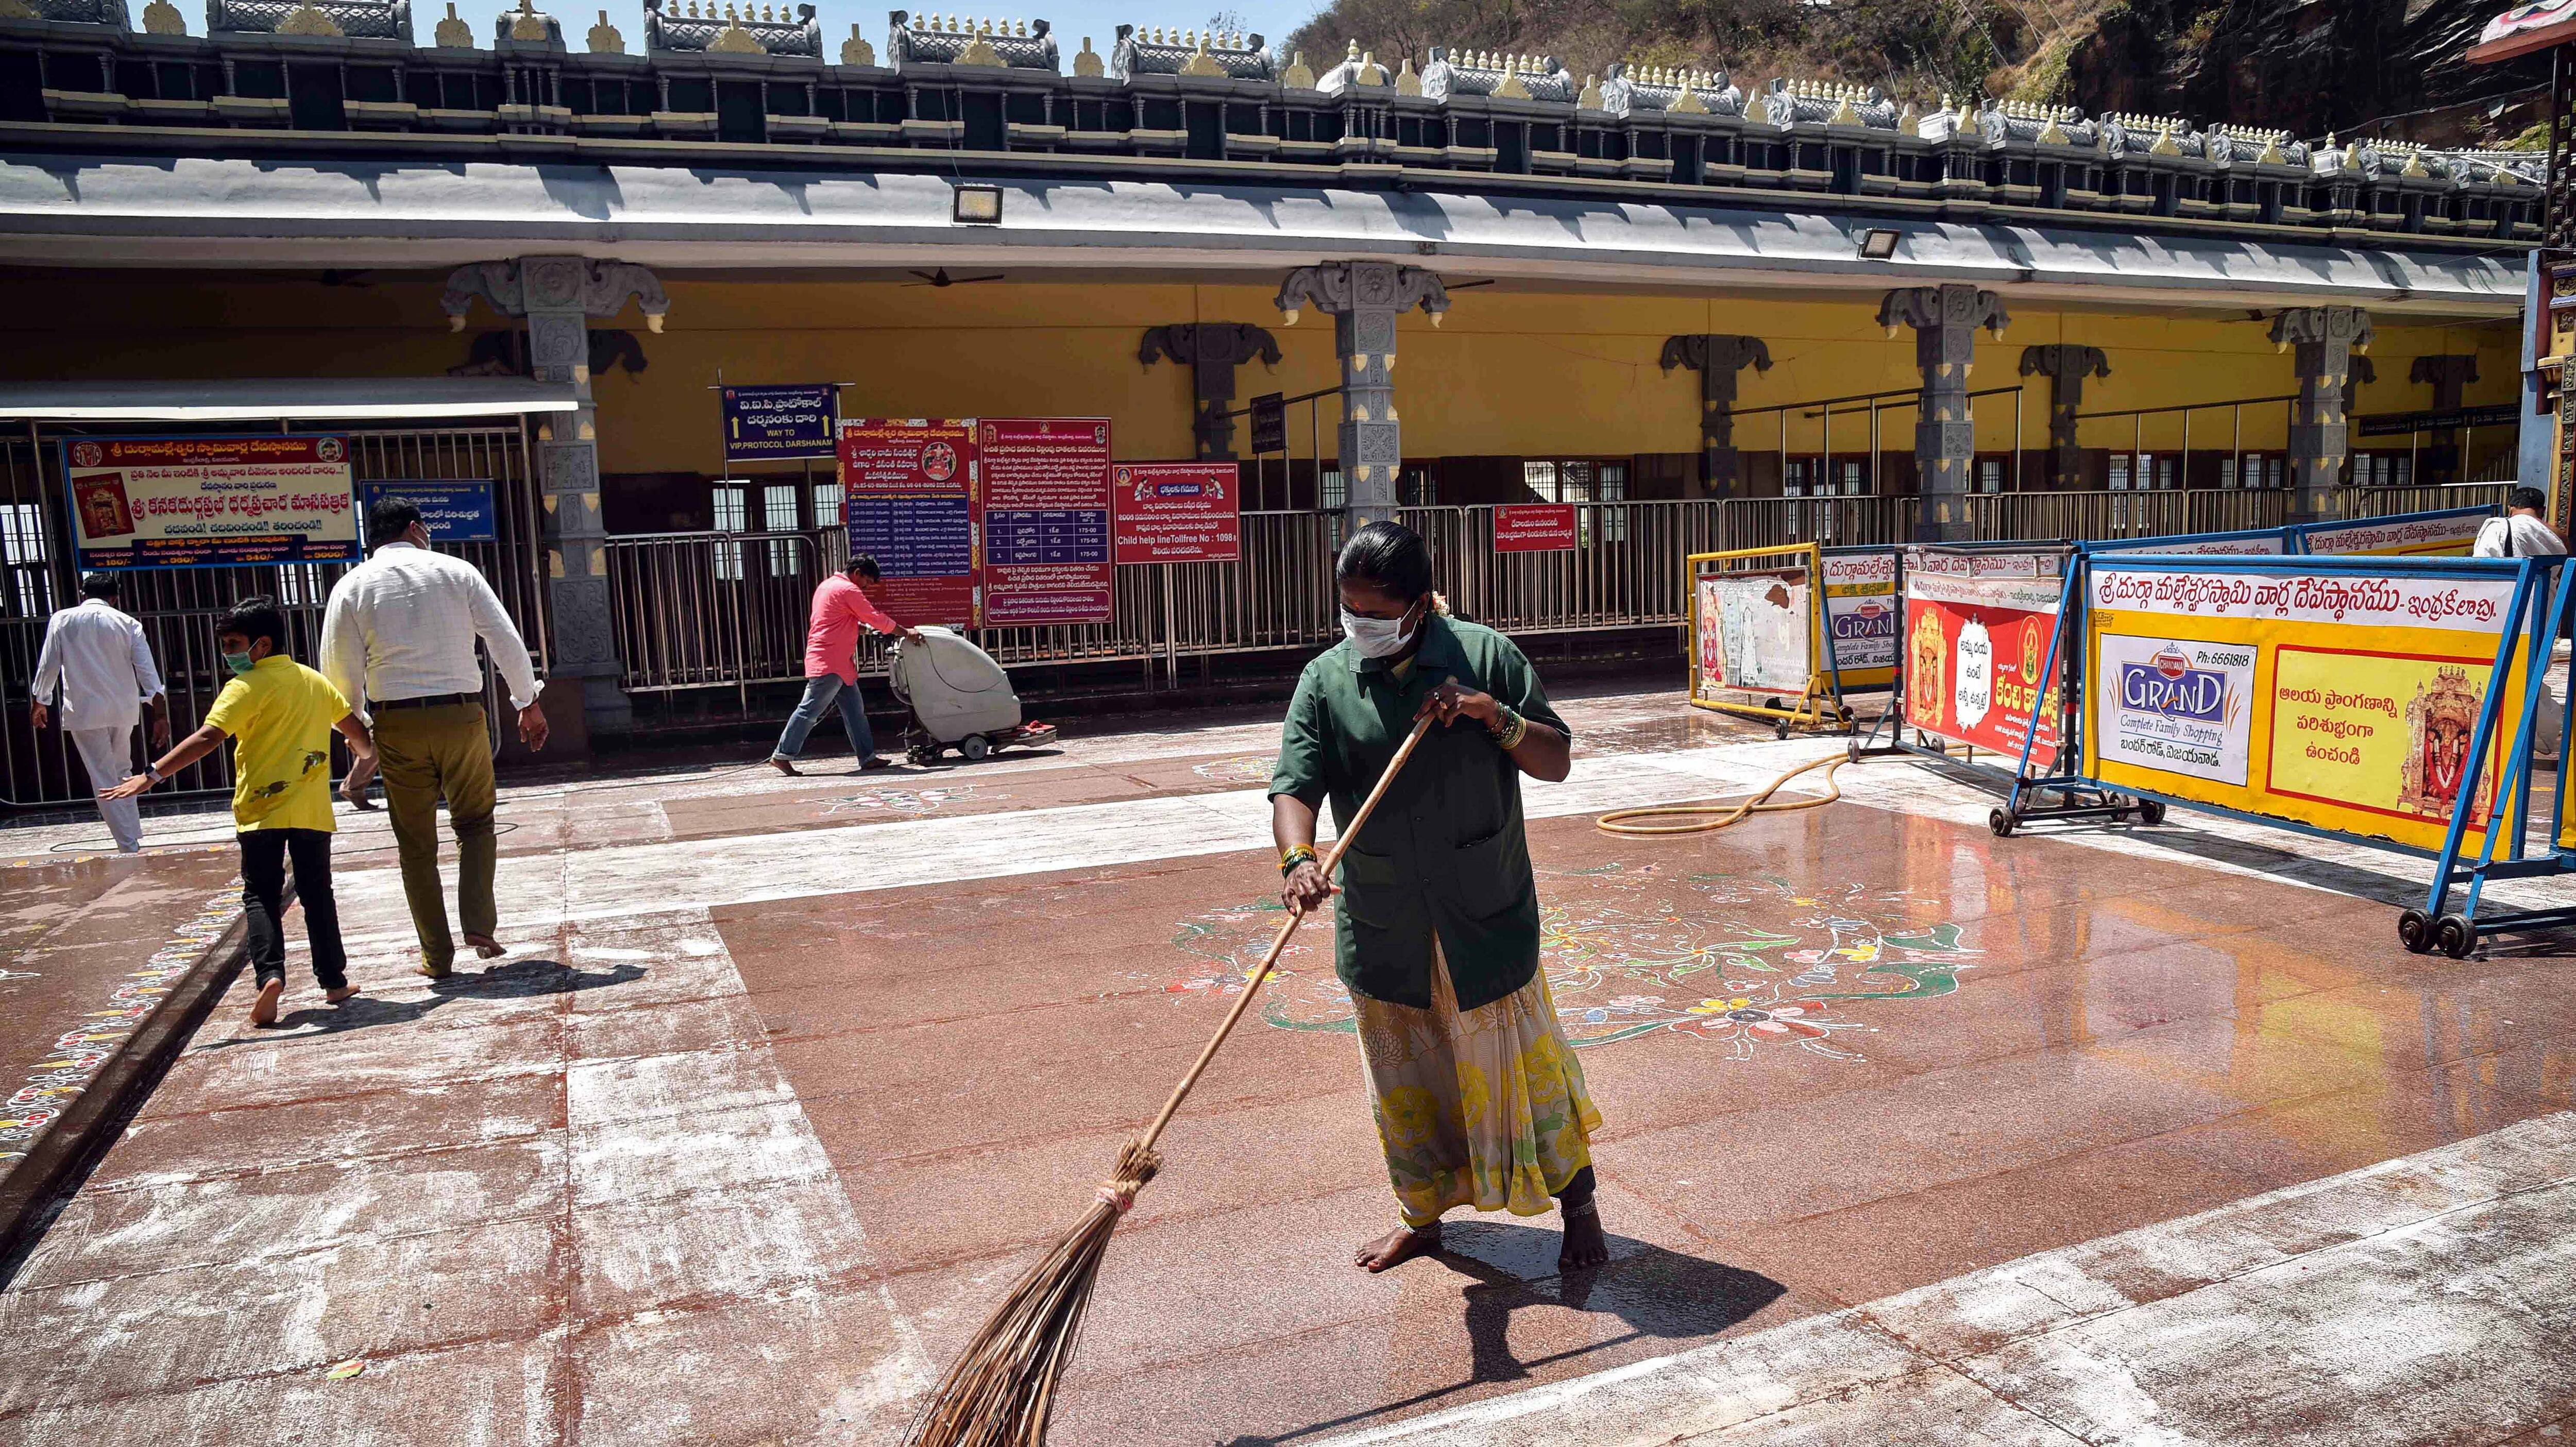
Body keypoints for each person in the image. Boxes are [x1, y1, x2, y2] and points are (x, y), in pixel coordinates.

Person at [1269, 520, 1607, 1274]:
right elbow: (1295, 785)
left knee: (1526, 1073)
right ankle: (1420, 1218)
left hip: (1481, 919)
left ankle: (1577, 1202)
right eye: (1350, 611)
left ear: (1420, 605)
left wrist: (1494, 715)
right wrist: (1297, 859)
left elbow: (1554, 761)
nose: (1362, 626)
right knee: (1406, 1085)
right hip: (1386, 924)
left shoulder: (1486, 655)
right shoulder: (1326, 680)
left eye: (1378, 614)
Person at [105, 598, 374, 1026]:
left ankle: (270, 976)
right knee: (317, 894)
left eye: (233, 643)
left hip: (260, 813)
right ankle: (334, 981)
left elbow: (207, 738)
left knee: (261, 896)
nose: (227, 653)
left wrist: (151, 775)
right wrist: (362, 755)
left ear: (261, 645)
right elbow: (357, 734)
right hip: (311, 812)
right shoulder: (313, 681)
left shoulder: (244, 688)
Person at [320, 497, 547, 979]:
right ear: (415, 529)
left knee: (416, 844)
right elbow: (503, 638)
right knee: (476, 823)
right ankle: (480, 925)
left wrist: (357, 730)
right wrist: (527, 702)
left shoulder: (351, 586)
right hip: (462, 716)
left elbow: (339, 670)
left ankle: (436, 956)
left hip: (397, 724)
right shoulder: (457, 571)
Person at [30, 571, 169, 853]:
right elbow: (148, 672)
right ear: (114, 598)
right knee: (123, 771)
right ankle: (131, 835)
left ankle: (127, 843)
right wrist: (160, 715)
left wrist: (40, 701)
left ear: (83, 594)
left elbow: (49, 665)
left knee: (103, 776)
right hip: (123, 709)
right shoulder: (128, 623)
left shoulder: (62, 619)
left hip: (85, 710)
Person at [769, 553, 920, 776]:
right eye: (867, 582)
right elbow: (874, 617)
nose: (867, 587)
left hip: (836, 662)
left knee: (855, 712)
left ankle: (867, 757)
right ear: (857, 573)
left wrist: (866, 631)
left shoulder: (827, 587)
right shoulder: (848, 590)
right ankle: (782, 754)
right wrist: (907, 633)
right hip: (830, 662)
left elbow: (840, 620)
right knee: (809, 710)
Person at [2475, 486, 2570, 762]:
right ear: (2542, 510)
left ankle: (2512, 735)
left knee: (2502, 675)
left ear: (2511, 507)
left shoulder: (2498, 528)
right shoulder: (2555, 536)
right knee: (2532, 673)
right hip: (2543, 615)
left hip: (2506, 614)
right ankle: (2538, 734)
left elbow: (2483, 570)